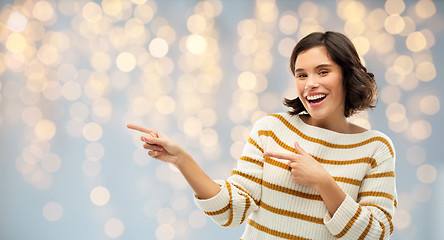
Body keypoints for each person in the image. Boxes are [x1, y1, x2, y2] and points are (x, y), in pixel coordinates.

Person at [128, 31, 397, 239]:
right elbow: (231, 212)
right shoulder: (271, 129)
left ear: (347, 76)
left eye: (323, 71)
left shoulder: (375, 148)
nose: (310, 83)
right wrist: (182, 160)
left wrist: (323, 182)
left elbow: (376, 233)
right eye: (301, 75)